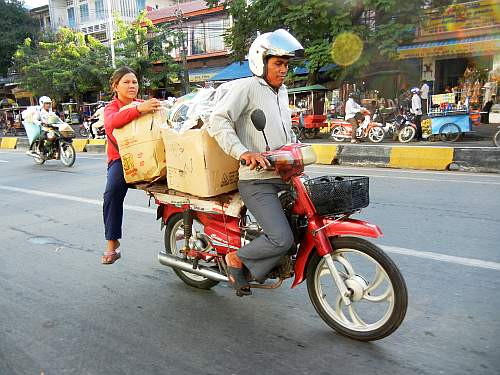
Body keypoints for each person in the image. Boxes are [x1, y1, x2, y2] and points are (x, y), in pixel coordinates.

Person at [208, 29, 303, 296]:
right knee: (281, 238)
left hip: (283, 174)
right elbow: (218, 120)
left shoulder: (281, 92)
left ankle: (264, 265)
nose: (283, 70)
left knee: (300, 227)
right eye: (277, 64)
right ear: (261, 61)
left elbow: (284, 131)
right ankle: (236, 259)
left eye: (286, 64)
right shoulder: (247, 87)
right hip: (257, 179)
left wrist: (296, 148)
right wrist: (242, 152)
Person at [101, 66, 161, 265]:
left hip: (149, 155)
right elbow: (111, 123)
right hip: (121, 159)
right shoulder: (111, 108)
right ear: (115, 86)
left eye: (134, 82)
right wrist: (137, 110)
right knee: (112, 193)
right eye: (126, 82)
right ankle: (112, 243)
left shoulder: (144, 104)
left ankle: (180, 225)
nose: (131, 85)